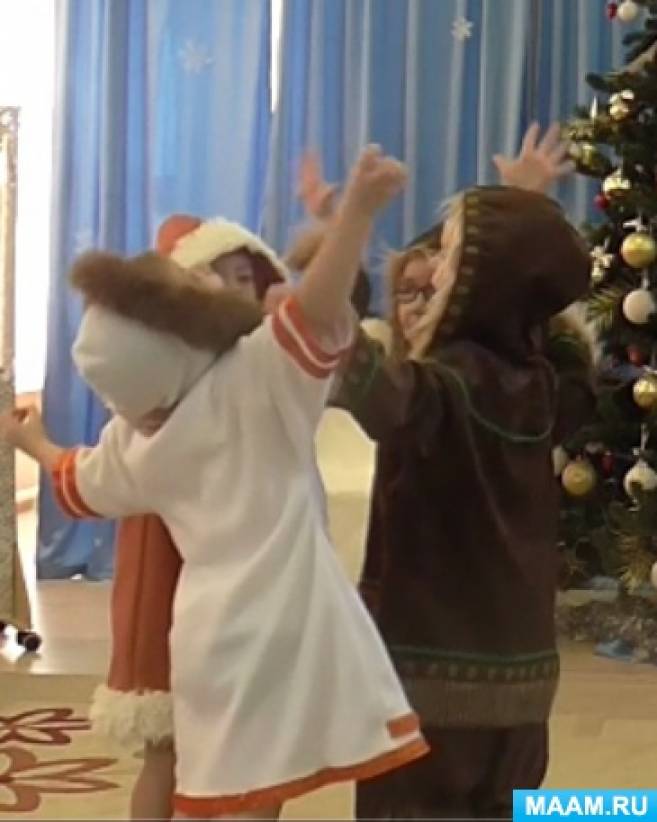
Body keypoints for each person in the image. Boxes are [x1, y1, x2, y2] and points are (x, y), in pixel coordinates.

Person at [2, 147, 429, 820]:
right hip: (281, 624)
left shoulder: (137, 442)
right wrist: (355, 213)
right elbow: (318, 311)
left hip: (204, 636)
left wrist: (29, 440)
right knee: (258, 791)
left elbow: (74, 479)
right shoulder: (254, 377)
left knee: (221, 789)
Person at [329, 178, 595, 818]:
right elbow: (575, 364)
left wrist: (337, 251)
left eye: (449, 256)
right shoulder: (542, 386)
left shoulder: (446, 385)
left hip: (432, 685)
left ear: (483, 285)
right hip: (524, 682)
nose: (435, 269)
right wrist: (529, 254)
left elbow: (370, 385)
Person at [92, 212, 290, 821]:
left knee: (263, 747)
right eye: (215, 275)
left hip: (252, 568)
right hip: (167, 556)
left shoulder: (264, 363)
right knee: (168, 745)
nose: (233, 290)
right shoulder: (153, 374)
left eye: (245, 277)